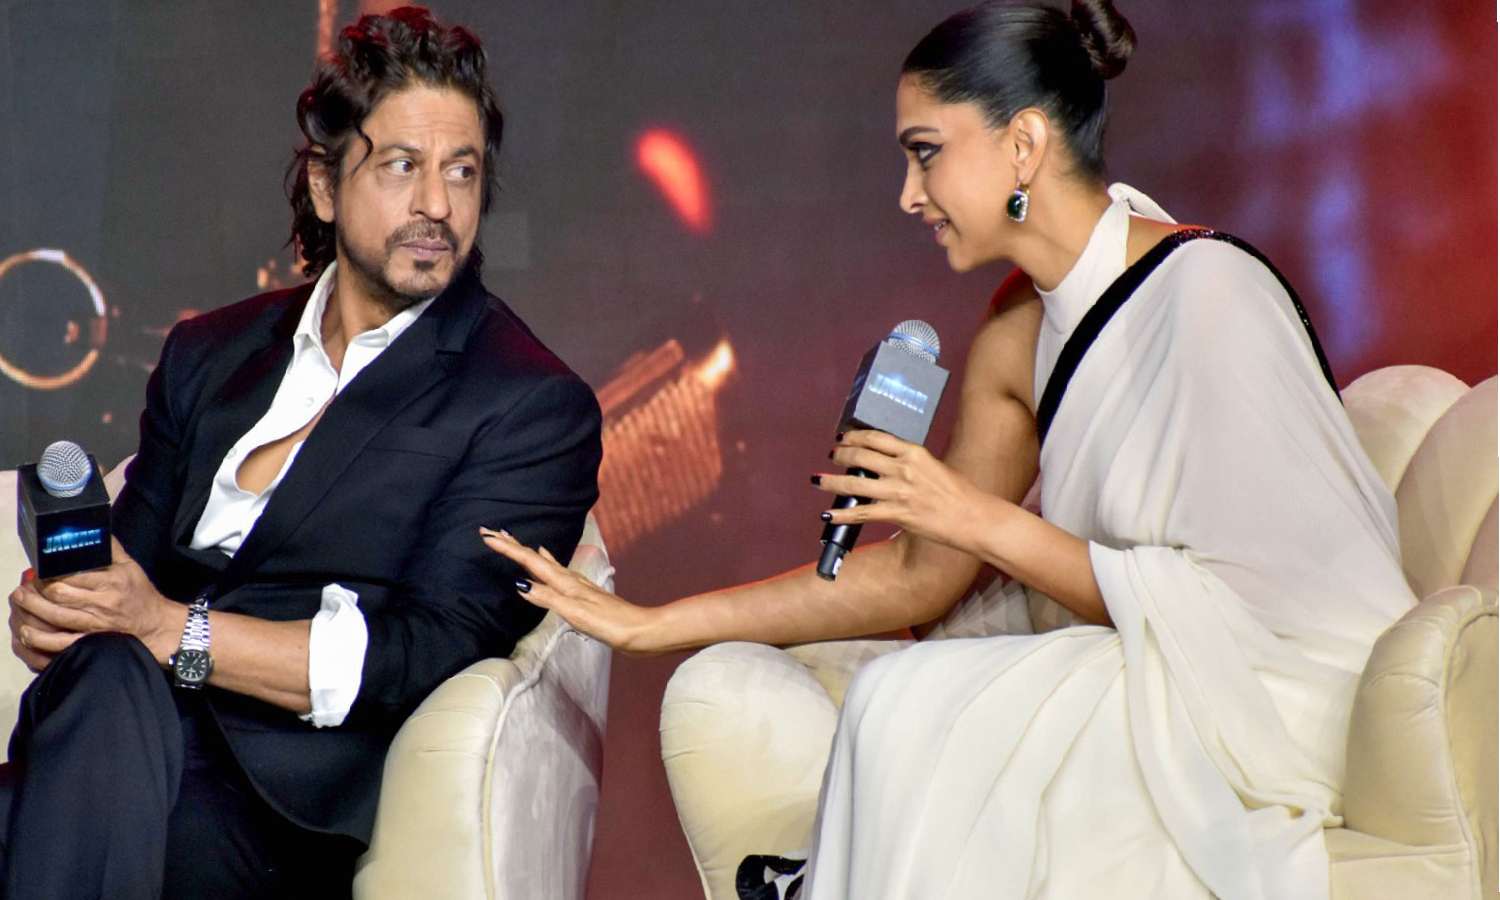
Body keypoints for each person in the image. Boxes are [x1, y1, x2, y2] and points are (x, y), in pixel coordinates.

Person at [485, 1, 1415, 898]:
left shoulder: (1207, 291)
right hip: (1151, 662)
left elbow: (1253, 604)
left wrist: (973, 516)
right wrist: (653, 624)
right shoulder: (1017, 328)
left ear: (1023, 144)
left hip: (1272, 693)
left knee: (913, 710)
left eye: (926, 153)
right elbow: (922, 575)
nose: (907, 195)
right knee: (902, 699)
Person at [1, 7, 601, 898]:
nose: (437, 205)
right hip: (114, 732)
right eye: (402, 165)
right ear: (324, 184)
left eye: (462, 171)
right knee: (104, 680)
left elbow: (422, 652)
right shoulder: (211, 353)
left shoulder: (525, 403)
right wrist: (69, 610)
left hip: (274, 806)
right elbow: (129, 579)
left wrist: (168, 630)